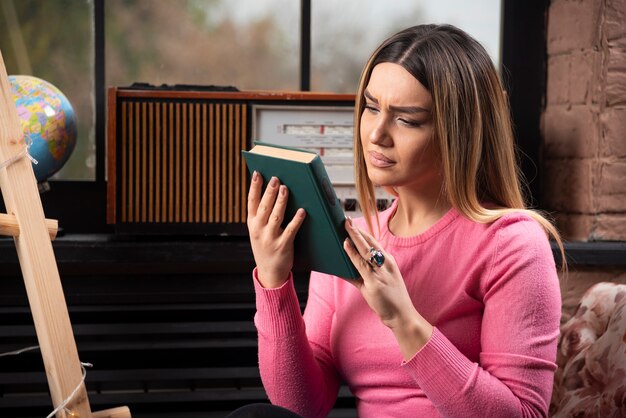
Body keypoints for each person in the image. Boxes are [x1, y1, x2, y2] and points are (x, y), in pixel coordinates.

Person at [241, 24, 563, 418]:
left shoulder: (511, 243)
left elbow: (524, 414)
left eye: (407, 120)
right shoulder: (355, 237)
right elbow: (299, 407)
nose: (376, 134)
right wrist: (273, 280)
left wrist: (404, 321)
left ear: (456, 134)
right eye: (372, 107)